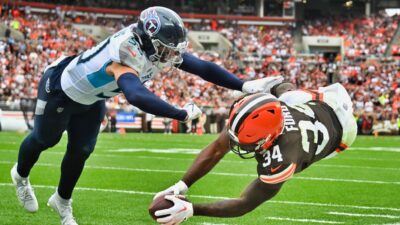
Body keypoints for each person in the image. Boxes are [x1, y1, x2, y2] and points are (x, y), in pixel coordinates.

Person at [9, 6, 282, 225]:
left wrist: (245, 85)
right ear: (148, 40)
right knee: (45, 140)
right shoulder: (126, 51)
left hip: (94, 98)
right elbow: (136, 94)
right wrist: (180, 113)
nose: (171, 55)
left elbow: (201, 67)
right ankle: (20, 175)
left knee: (82, 149)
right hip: (61, 90)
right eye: (166, 48)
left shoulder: (151, 47)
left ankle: (62, 200)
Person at [153, 82, 358, 224]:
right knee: (285, 92)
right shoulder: (259, 113)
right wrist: (181, 185)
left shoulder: (284, 157)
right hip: (320, 101)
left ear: (269, 138)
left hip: (343, 132)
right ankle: (273, 83)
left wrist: (193, 209)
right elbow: (217, 148)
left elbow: (246, 203)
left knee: (287, 96)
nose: (237, 145)